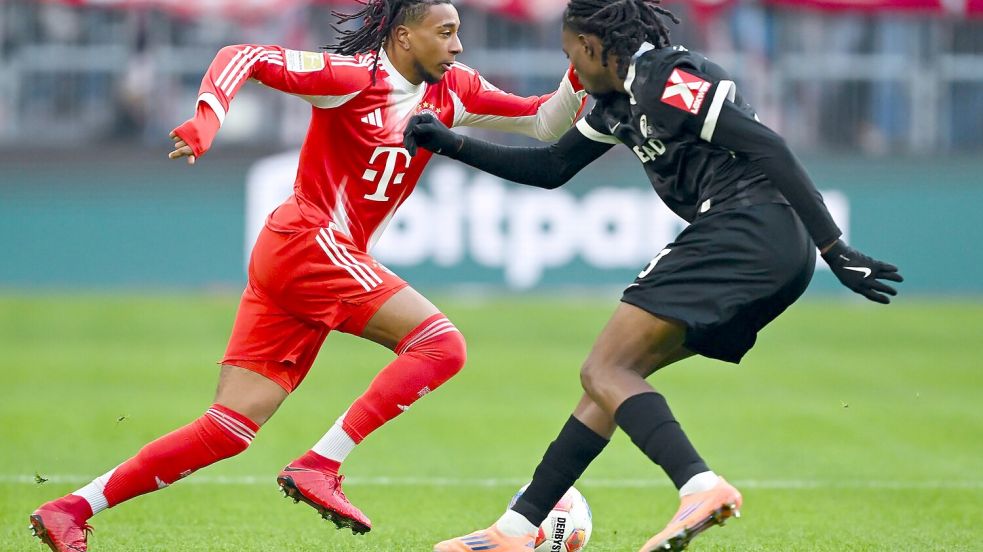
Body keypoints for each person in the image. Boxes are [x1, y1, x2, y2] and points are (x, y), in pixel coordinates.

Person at [28, 2, 588, 550]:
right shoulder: (353, 79)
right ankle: (320, 464)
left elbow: (544, 120)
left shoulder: (454, 89)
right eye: (444, 32)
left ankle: (69, 510)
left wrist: (581, 63)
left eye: (458, 31)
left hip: (302, 259)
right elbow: (242, 54)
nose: (458, 45)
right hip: (309, 244)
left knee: (228, 428)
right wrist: (207, 118)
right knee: (441, 347)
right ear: (402, 37)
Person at [402, 1, 903, 551]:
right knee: (612, 381)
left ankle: (699, 487)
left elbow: (769, 145)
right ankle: (515, 531)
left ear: (591, 45)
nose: (572, 70)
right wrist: (451, 144)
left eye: (571, 55)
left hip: (747, 227)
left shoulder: (665, 77)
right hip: (762, 243)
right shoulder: (614, 105)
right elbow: (550, 168)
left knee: (604, 368)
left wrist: (834, 247)